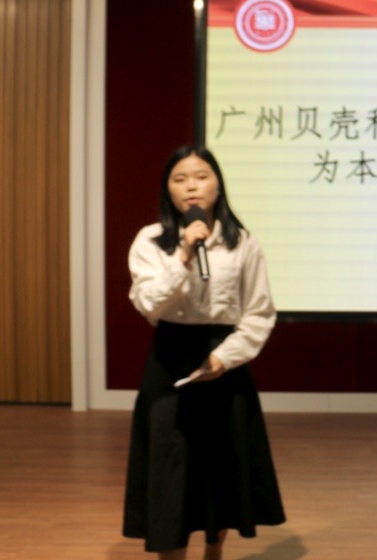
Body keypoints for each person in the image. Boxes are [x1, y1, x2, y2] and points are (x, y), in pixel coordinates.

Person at [122, 145, 286, 560]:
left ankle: (215, 551)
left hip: (223, 360)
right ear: (168, 190)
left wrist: (224, 358)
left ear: (218, 185)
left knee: (222, 466)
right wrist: (183, 254)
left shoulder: (243, 243)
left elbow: (259, 312)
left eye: (201, 176)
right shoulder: (151, 242)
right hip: (170, 359)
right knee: (169, 467)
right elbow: (148, 304)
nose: (191, 186)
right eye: (180, 179)